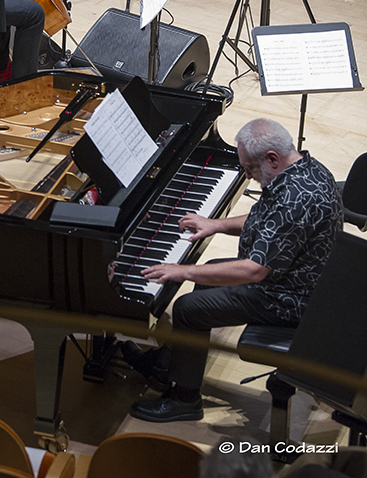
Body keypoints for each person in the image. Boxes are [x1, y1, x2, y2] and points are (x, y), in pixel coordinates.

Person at [123, 118, 343, 423]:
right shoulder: (306, 168)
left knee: (188, 307)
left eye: (250, 169)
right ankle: (165, 365)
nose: (248, 177)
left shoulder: (296, 200)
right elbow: (266, 218)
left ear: (272, 158)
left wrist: (182, 270)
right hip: (299, 281)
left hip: (293, 299)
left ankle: (184, 400)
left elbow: (253, 271)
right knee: (212, 271)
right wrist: (216, 224)